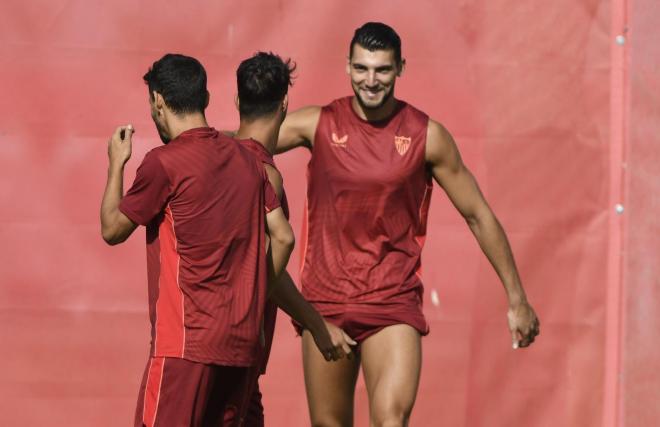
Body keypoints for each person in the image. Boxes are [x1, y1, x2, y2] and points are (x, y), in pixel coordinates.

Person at [276, 22, 541, 427]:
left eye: (382, 69)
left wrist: (516, 296)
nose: (371, 80)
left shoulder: (426, 135)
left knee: (391, 421)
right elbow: (245, 144)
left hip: (391, 301)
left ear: (401, 67)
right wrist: (186, 137)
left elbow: (477, 214)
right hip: (326, 304)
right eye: (362, 68)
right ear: (347, 67)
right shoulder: (319, 124)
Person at [100, 53, 294, 427]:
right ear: (206, 99)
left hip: (184, 349)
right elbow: (283, 237)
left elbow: (112, 229)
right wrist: (252, 298)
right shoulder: (251, 163)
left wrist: (116, 164)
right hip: (240, 349)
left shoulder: (164, 162)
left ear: (158, 101)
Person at [225, 52, 356, 426]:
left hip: (229, 355)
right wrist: (316, 324)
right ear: (285, 103)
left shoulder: (213, 163)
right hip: (229, 350)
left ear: (237, 102)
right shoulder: (263, 176)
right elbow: (268, 266)